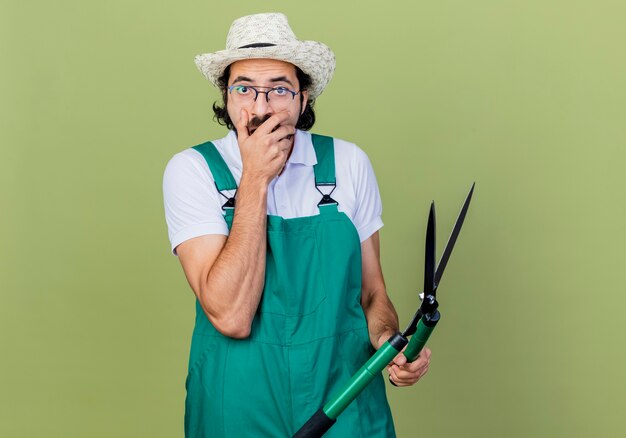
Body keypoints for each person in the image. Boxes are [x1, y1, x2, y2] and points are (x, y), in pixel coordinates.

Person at [163, 12, 431, 437]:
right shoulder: (192, 171)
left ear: (304, 100)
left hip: (343, 395)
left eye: (279, 90)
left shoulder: (347, 163)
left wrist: (387, 343)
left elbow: (373, 292)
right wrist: (255, 178)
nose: (260, 107)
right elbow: (231, 315)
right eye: (244, 88)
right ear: (227, 97)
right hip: (237, 403)